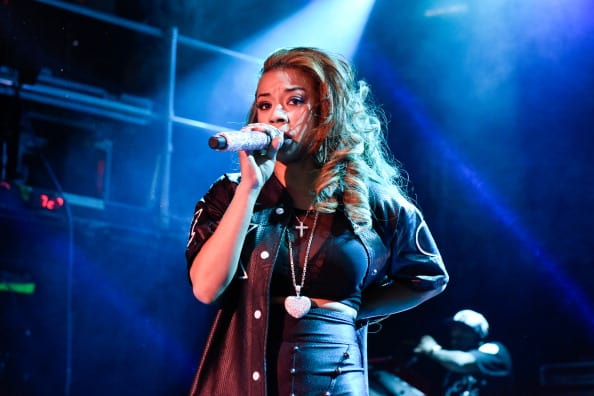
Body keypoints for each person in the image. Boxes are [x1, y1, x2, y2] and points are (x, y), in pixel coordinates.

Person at [185, 46, 449, 396]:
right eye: (265, 104)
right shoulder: (231, 194)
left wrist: (348, 311)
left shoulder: (374, 203)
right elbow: (205, 288)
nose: (276, 115)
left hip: (337, 380)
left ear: (328, 112)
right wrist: (250, 188)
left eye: (294, 101)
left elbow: (427, 277)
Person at [413, 309, 513, 396]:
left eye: (464, 330)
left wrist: (432, 349)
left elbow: (461, 363)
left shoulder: (494, 349)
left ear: (479, 335)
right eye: (454, 328)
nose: (456, 334)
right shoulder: (450, 366)